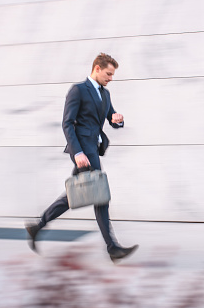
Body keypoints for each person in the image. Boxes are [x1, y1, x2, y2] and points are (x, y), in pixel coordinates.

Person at [25, 53, 138, 263]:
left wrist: (117, 120)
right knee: (100, 196)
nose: (111, 78)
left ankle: (37, 226)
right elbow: (67, 123)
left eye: (112, 75)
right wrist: (77, 153)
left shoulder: (105, 94)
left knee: (74, 196)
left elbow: (110, 118)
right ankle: (113, 249)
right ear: (97, 68)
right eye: (108, 73)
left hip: (93, 149)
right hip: (83, 152)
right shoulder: (78, 90)